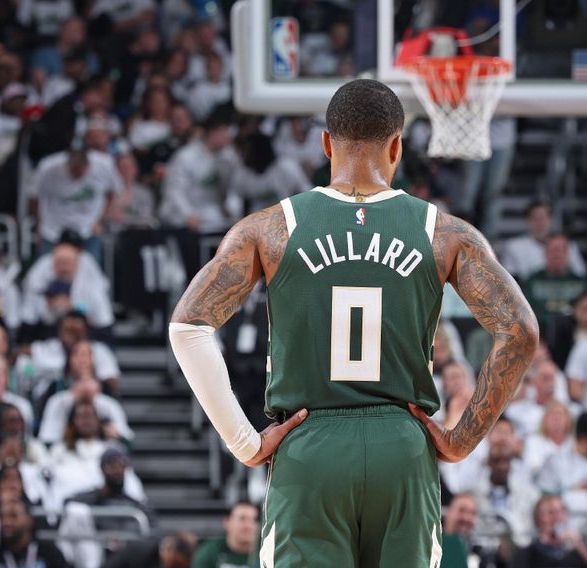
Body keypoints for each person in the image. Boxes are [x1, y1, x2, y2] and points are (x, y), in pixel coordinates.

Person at [168, 79, 539, 566]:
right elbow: (521, 331)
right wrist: (460, 439)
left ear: (326, 143)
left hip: (308, 444)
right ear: (397, 146)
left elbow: (188, 326)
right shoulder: (445, 233)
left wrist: (245, 442)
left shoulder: (271, 228)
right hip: (403, 445)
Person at [511, 495, 587, 568]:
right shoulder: (529, 553)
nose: (557, 518)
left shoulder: (580, 548)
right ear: (538, 520)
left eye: (561, 511)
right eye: (550, 513)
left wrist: (580, 547)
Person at [0, 498, 68, 567]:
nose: (6, 522)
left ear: (29, 520)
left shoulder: (49, 553)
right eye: (2, 517)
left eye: (13, 516)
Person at [191, 501, 259, 568]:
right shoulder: (209, 552)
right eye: (242, 519)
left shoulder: (266, 551)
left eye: (254, 520)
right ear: (227, 522)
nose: (248, 526)